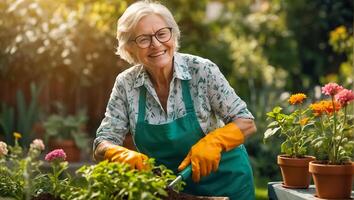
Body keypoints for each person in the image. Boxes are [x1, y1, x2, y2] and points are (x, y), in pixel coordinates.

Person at [93, 1, 257, 199]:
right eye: (144, 39)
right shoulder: (126, 84)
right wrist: (118, 153)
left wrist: (215, 142)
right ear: (130, 47)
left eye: (162, 34)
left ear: (173, 34)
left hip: (227, 185)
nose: (156, 44)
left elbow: (246, 122)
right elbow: (102, 143)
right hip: (172, 191)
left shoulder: (201, 70)